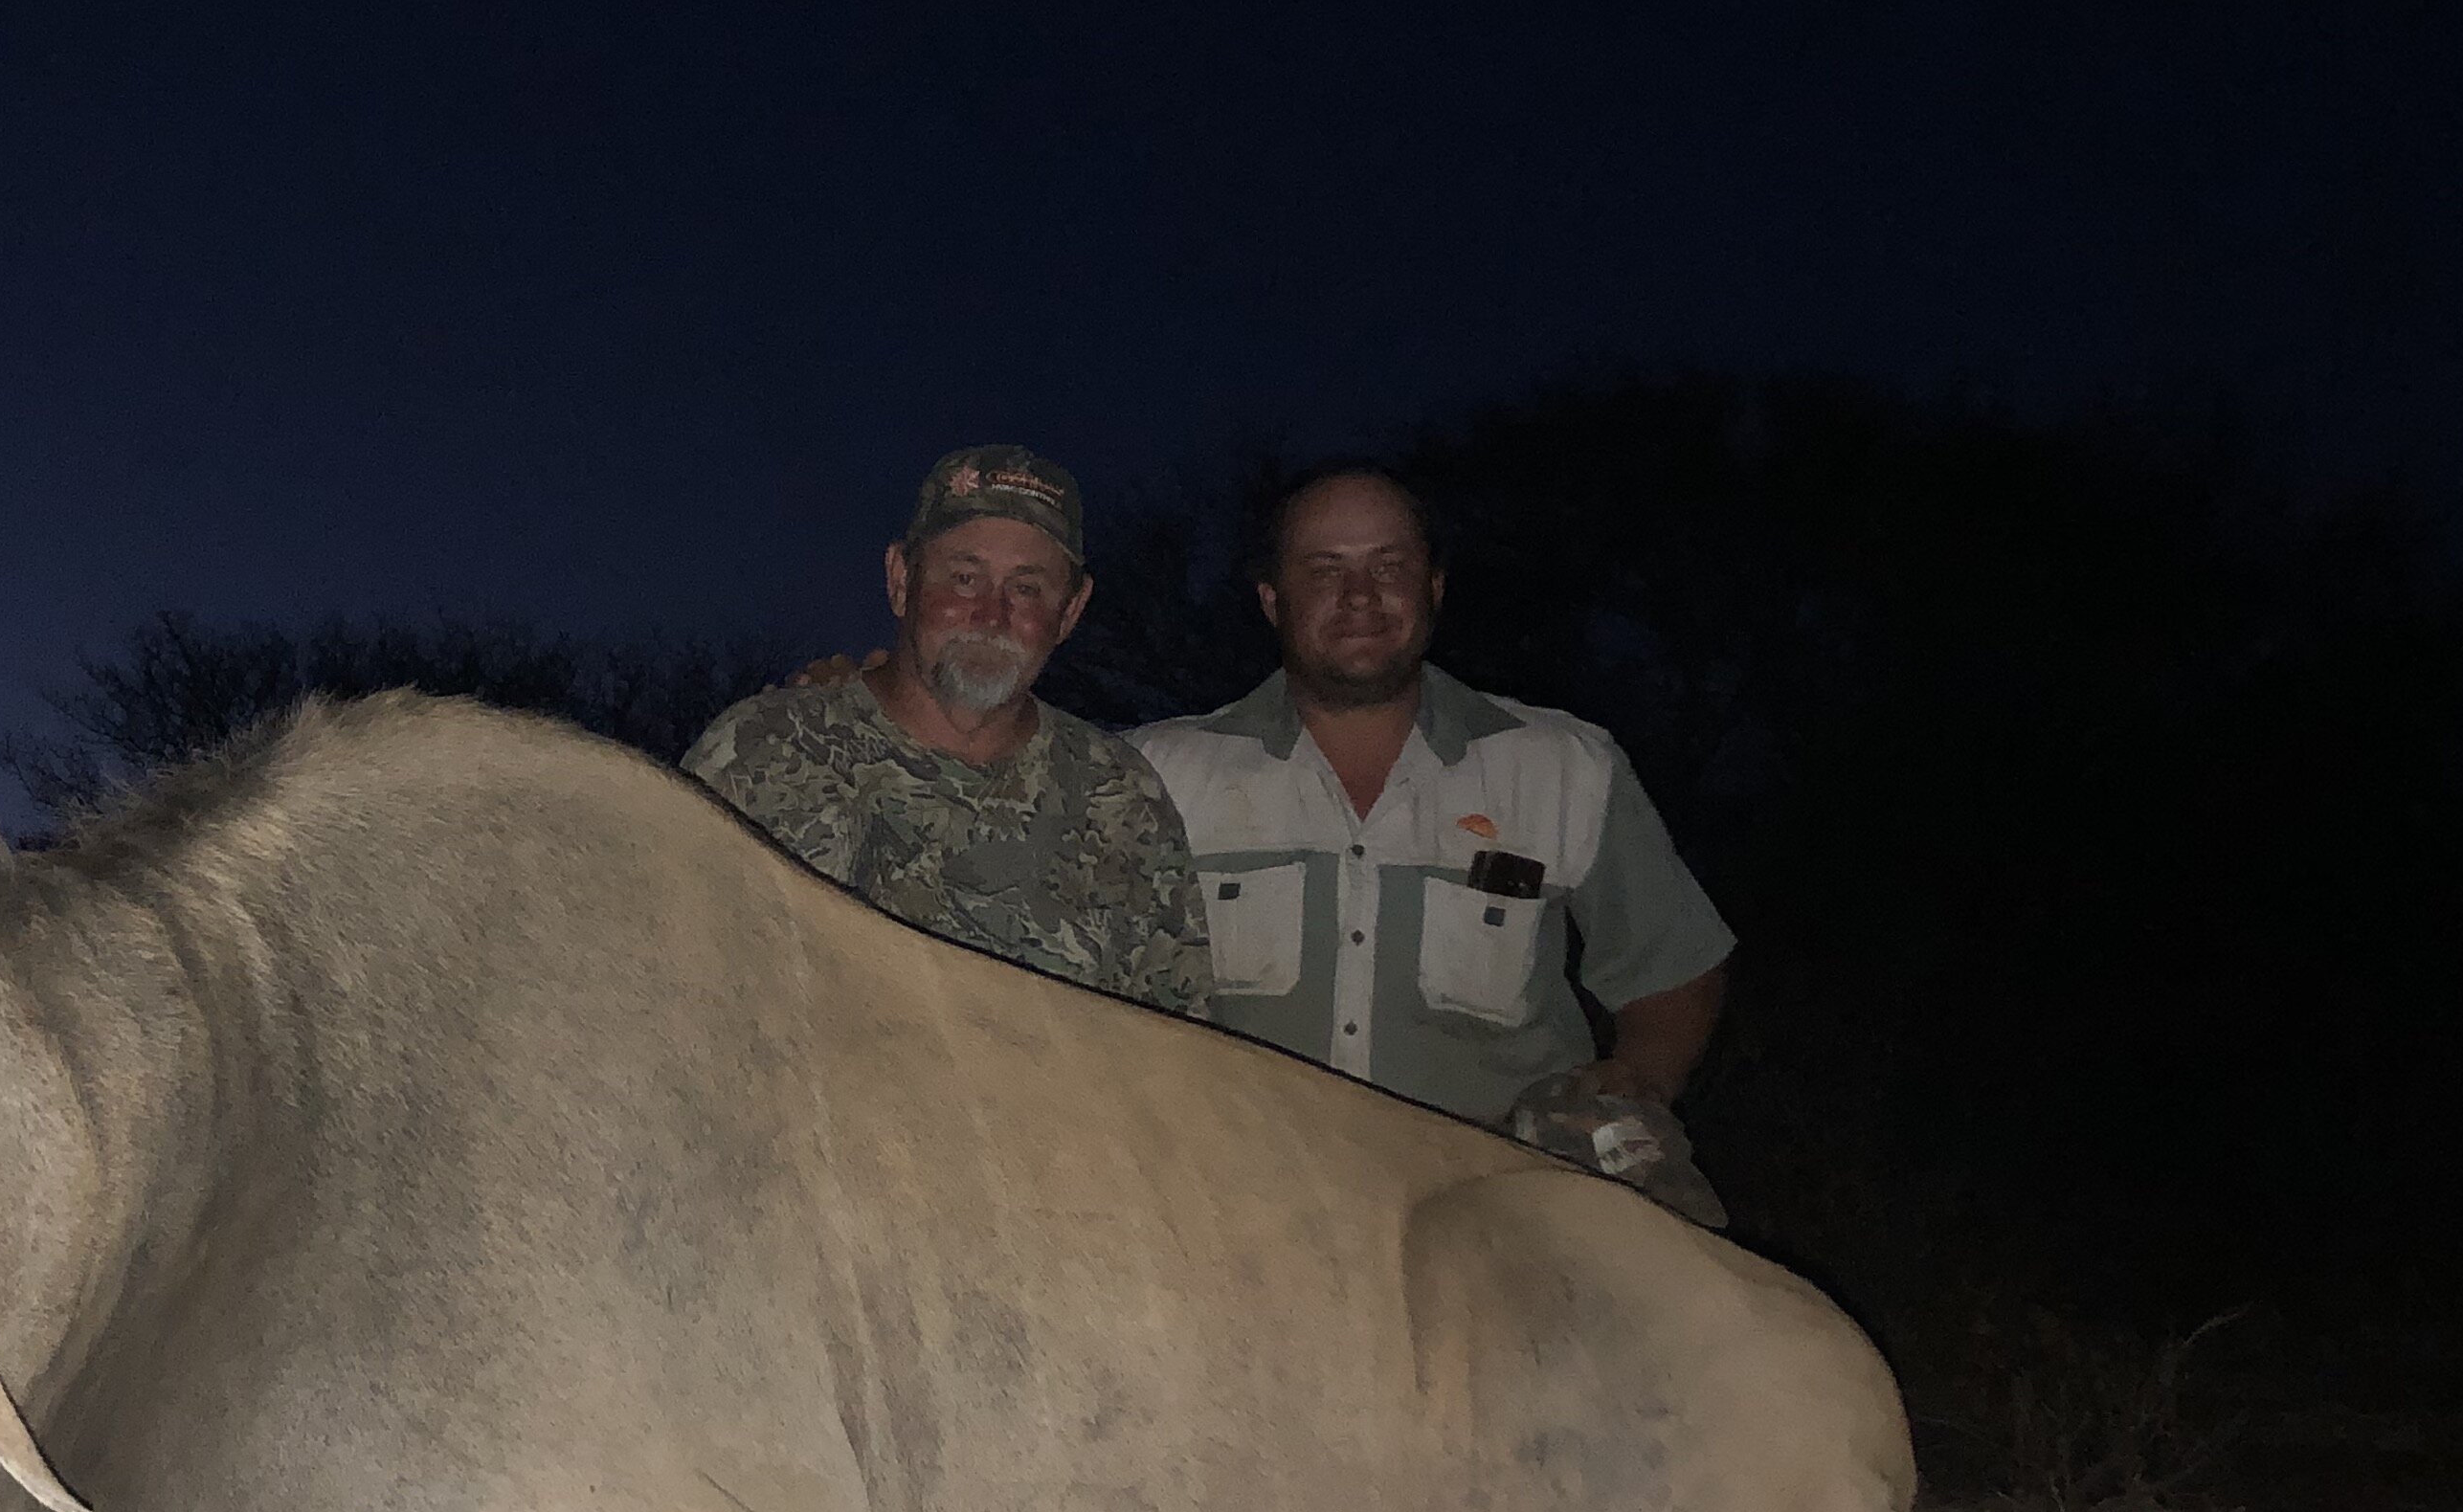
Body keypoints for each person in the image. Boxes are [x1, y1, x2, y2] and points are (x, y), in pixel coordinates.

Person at [1129, 463, 1734, 1218]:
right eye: (1325, 570)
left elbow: (1670, 971)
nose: (1360, 596)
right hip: (1235, 1186)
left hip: (1499, 1193)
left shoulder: (1566, 765)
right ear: (1272, 601)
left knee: (1695, 1301)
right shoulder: (1156, 772)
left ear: (1434, 588)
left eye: (1390, 566)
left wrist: (1635, 1085)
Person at [683, 446, 1212, 1018]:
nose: (991, 613)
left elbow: (1175, 1049)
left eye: (1027, 588)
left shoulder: (1125, 797)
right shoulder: (756, 752)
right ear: (900, 579)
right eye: (964, 578)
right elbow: (670, 978)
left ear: (1071, 611)